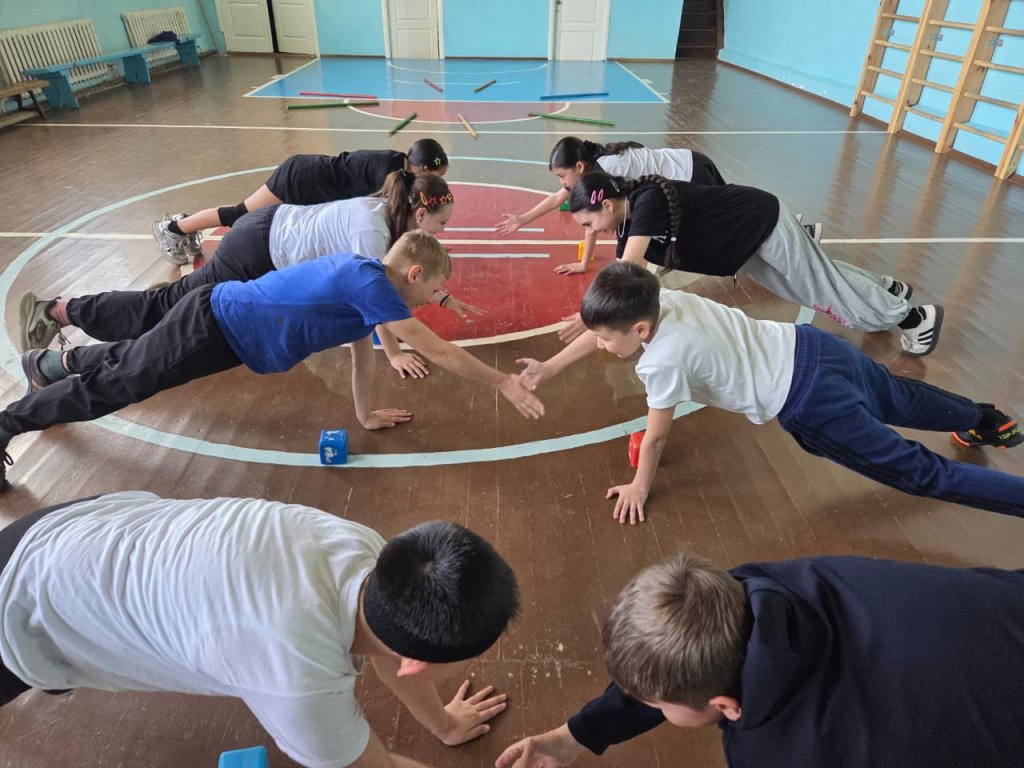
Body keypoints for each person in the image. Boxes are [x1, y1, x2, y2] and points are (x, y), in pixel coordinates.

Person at [0, 491, 517, 768]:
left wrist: (443, 725)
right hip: (22, 611)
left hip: (70, 528)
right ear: (421, 661)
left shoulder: (369, 552)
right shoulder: (297, 677)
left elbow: (394, 656)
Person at [0, 232, 544, 490]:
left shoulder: (367, 289)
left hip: (218, 326)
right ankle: (9, 422)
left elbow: (363, 356)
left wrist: (364, 415)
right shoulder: (371, 285)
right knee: (118, 385)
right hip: (212, 327)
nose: (429, 302)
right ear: (414, 273)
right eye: (431, 291)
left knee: (132, 362)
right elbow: (435, 348)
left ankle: (49, 366)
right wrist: (502, 383)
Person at [517, 261, 1022, 524]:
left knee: (918, 471)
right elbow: (606, 326)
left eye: (607, 339)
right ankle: (987, 419)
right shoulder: (660, 297)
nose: (603, 345)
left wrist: (639, 488)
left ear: (641, 330)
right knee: (898, 397)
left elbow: (654, 438)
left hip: (811, 402)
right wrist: (551, 367)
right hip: (815, 347)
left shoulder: (660, 362)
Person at [495, 550, 1024, 768]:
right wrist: (573, 737)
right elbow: (665, 673)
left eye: (658, 705)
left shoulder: (784, 752)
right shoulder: (753, 590)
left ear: (727, 706)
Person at [32, 171, 471, 380]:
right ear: (419, 215)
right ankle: (59, 311)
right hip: (256, 249)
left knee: (170, 307)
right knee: (164, 309)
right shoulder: (372, 234)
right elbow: (380, 304)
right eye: (443, 223)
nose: (443, 231)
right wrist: (393, 355)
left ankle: (93, 327)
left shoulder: (387, 218)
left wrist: (442, 297)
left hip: (267, 237)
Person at [559, 172, 941, 357]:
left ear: (606, 204)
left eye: (589, 224)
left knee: (819, 286)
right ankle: (887, 289)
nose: (591, 232)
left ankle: (914, 317)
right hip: (741, 246)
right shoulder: (627, 228)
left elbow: (625, 278)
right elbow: (631, 279)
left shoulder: (646, 202)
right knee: (814, 281)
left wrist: (589, 316)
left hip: (760, 222)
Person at [152, 138, 449, 264]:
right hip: (299, 178)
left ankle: (181, 226)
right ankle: (174, 228)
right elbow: (392, 221)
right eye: (438, 175)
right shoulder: (388, 173)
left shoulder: (399, 169)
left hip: (312, 184)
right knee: (239, 215)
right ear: (422, 168)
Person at [495, 138, 758, 274]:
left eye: (562, 176)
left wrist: (586, 263)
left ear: (579, 167)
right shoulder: (591, 173)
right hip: (685, 166)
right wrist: (522, 219)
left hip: (689, 170)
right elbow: (561, 201)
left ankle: (749, 244)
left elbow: (592, 221)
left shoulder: (607, 171)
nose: (563, 183)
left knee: (714, 224)